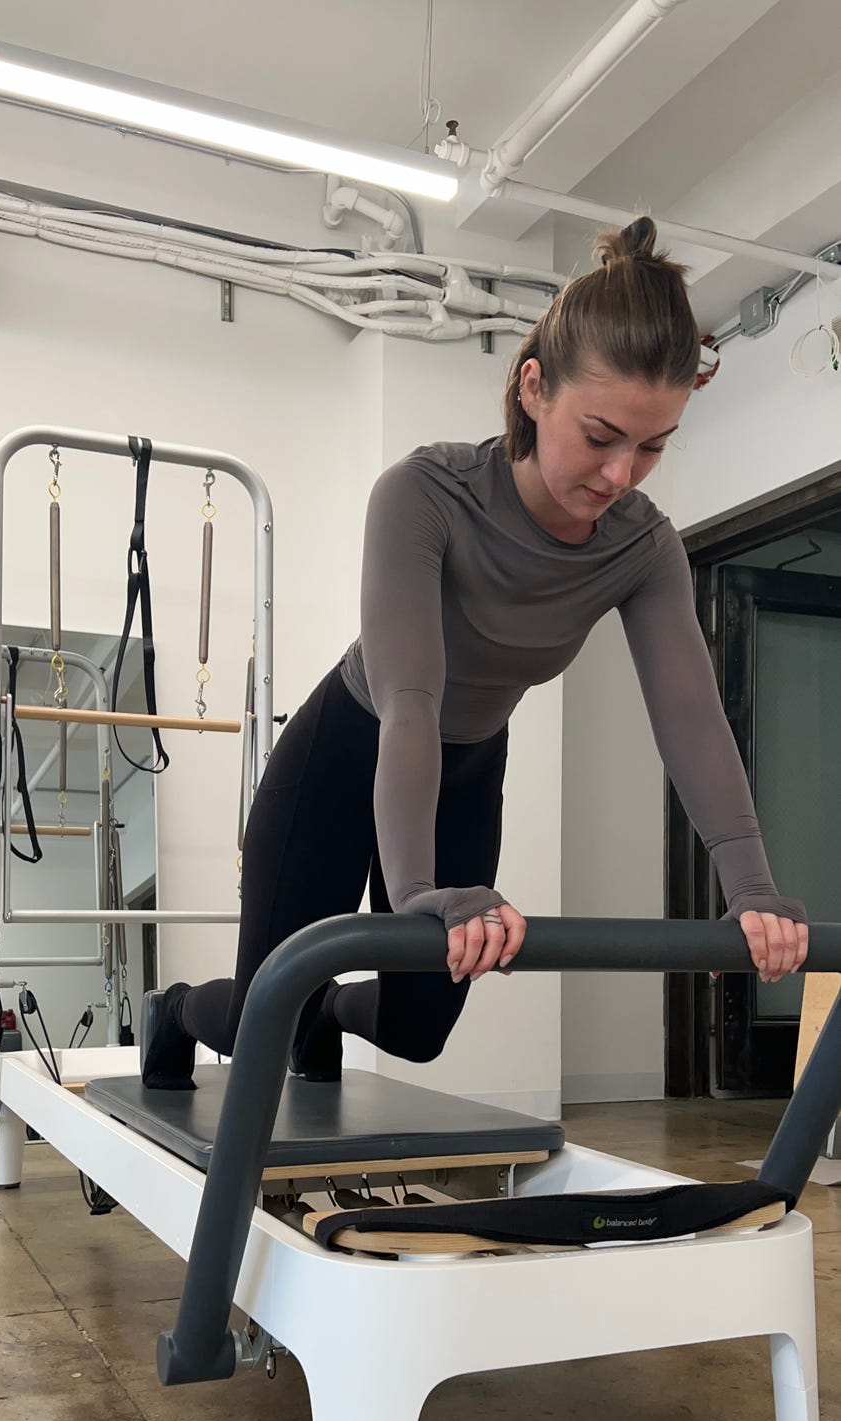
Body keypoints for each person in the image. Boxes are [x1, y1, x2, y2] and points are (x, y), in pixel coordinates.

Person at [142, 215, 807, 1091]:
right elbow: (411, 699)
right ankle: (179, 1008)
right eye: (601, 435)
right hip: (349, 749)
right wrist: (415, 893)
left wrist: (752, 890)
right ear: (533, 387)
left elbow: (691, 718)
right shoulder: (426, 495)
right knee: (267, 1012)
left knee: (419, 1033)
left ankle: (331, 1016)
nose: (621, 475)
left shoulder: (644, 550)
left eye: (652, 447)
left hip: (465, 772)